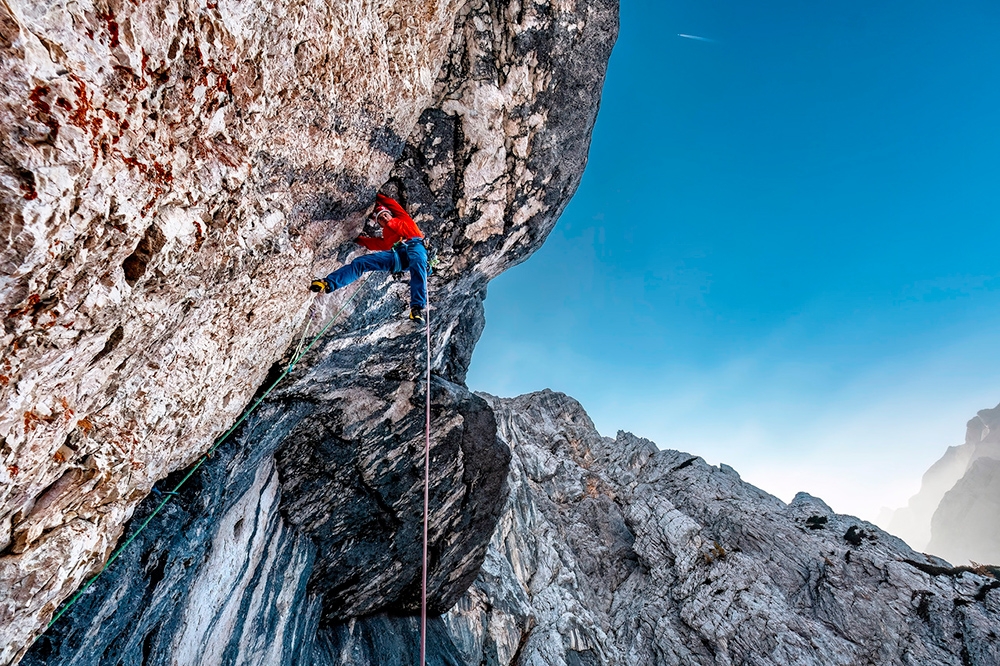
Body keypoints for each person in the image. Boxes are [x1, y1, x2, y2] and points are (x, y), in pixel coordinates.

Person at [310, 193, 428, 322]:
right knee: (361, 262)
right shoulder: (386, 239)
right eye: (381, 218)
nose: (384, 218)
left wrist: (376, 195)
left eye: (385, 215)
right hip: (397, 256)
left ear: (390, 214)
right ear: (379, 224)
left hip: (414, 245)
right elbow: (369, 243)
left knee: (417, 264)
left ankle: (417, 308)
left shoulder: (403, 218)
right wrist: (352, 238)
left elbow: (391, 203)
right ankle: (327, 283)